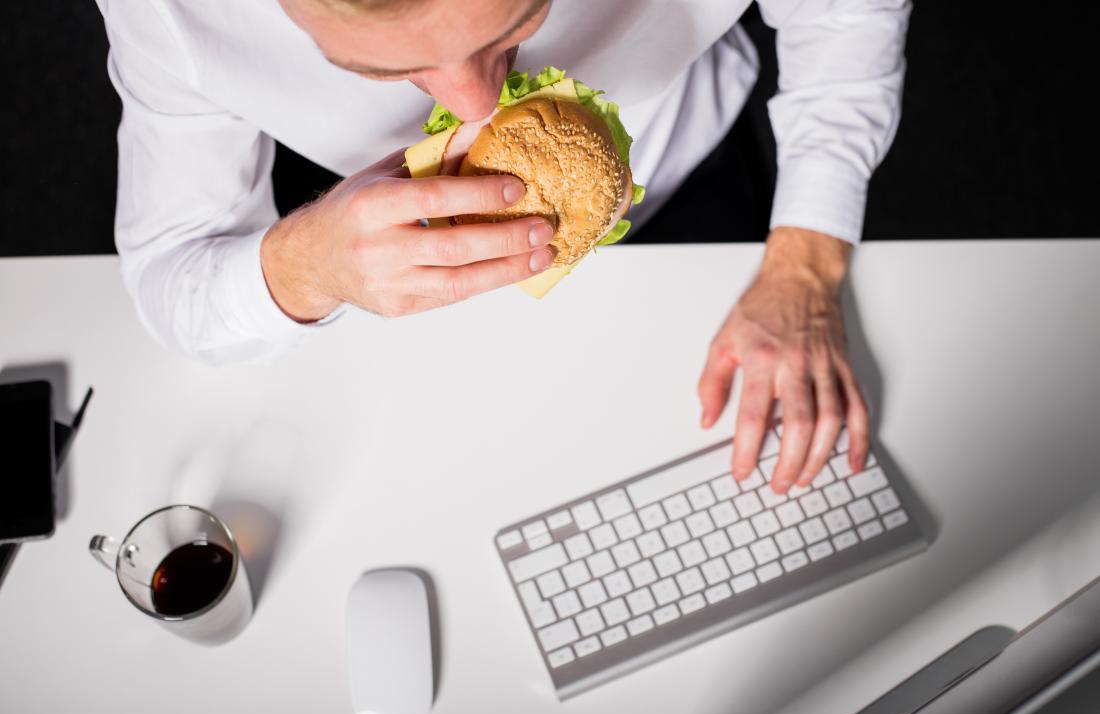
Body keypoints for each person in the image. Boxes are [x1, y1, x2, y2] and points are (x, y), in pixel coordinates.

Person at [94, 0, 910, 494]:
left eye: (518, 23)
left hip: (691, 172)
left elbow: (842, 14)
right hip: (376, 268)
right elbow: (172, 266)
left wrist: (807, 259)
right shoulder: (172, 14)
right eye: (385, 70)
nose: (481, 109)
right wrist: (306, 265)